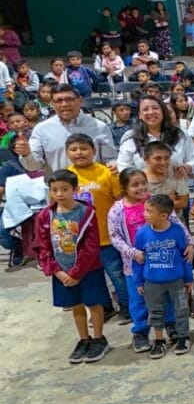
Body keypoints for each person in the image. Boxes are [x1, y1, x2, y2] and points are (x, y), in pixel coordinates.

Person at [35, 169, 111, 364]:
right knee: (75, 305)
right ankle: (84, 339)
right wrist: (57, 271)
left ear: (75, 190)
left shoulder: (86, 213)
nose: (59, 194)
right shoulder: (45, 216)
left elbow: (91, 247)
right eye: (54, 190)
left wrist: (76, 273)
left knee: (94, 303)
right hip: (62, 271)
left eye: (64, 189)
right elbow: (43, 246)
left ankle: (99, 339)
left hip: (88, 270)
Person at [66, 134, 130, 324]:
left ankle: (126, 307)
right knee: (93, 278)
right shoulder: (66, 176)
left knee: (116, 274)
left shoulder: (107, 173)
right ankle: (104, 307)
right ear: (67, 153)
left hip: (106, 236)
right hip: (80, 241)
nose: (79, 153)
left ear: (93, 151)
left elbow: (121, 200)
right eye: (73, 149)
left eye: (84, 148)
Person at [132, 194, 194, 358]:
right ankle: (159, 340)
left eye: (149, 211)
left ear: (163, 216)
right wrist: (139, 281)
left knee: (181, 309)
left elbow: (186, 255)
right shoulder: (142, 233)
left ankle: (183, 337)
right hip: (152, 283)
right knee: (155, 312)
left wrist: (189, 278)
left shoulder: (177, 231)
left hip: (177, 282)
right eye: (145, 210)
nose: (144, 214)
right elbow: (137, 259)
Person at [14, 83, 117, 173]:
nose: (64, 104)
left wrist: (113, 165)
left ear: (80, 100)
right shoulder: (42, 129)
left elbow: (110, 159)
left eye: (69, 99)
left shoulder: (99, 127)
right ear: (52, 104)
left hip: (93, 186)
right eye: (58, 101)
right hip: (59, 187)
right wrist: (26, 154)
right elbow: (34, 167)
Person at [117, 95, 194, 176]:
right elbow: (123, 167)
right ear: (139, 115)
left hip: (176, 183)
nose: (151, 112)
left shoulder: (180, 134)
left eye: (155, 108)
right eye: (145, 109)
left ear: (163, 112)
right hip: (143, 185)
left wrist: (186, 167)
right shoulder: (130, 137)